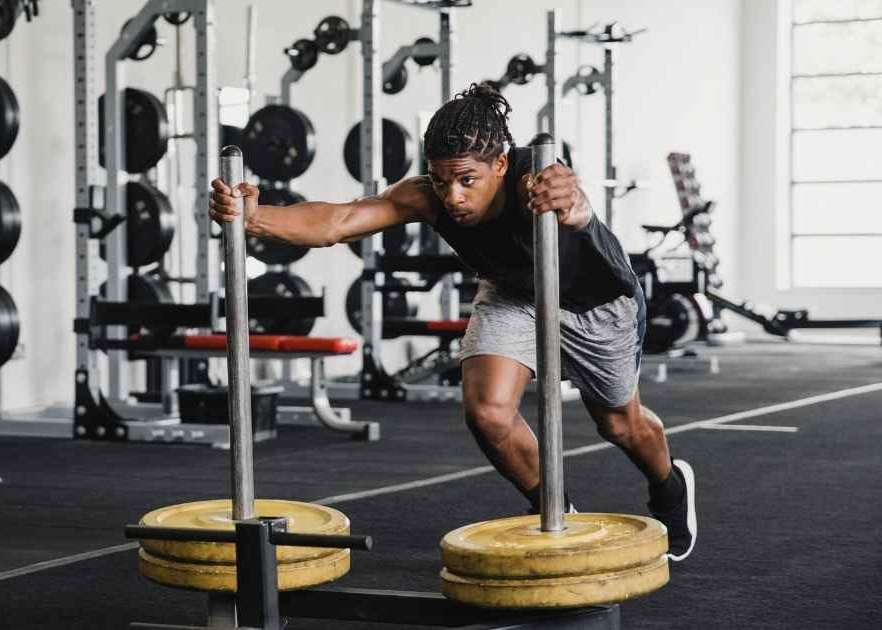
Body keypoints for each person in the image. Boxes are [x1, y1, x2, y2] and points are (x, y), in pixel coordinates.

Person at [209, 83, 696, 561]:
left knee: (618, 423)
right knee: (488, 412)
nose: (453, 196)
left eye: (467, 180)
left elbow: (576, 206)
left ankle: (670, 487)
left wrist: (571, 201)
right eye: (442, 180)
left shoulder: (538, 181)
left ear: (500, 165)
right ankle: (553, 509)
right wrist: (255, 218)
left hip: (597, 304)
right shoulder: (428, 195)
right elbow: (338, 222)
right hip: (514, 295)